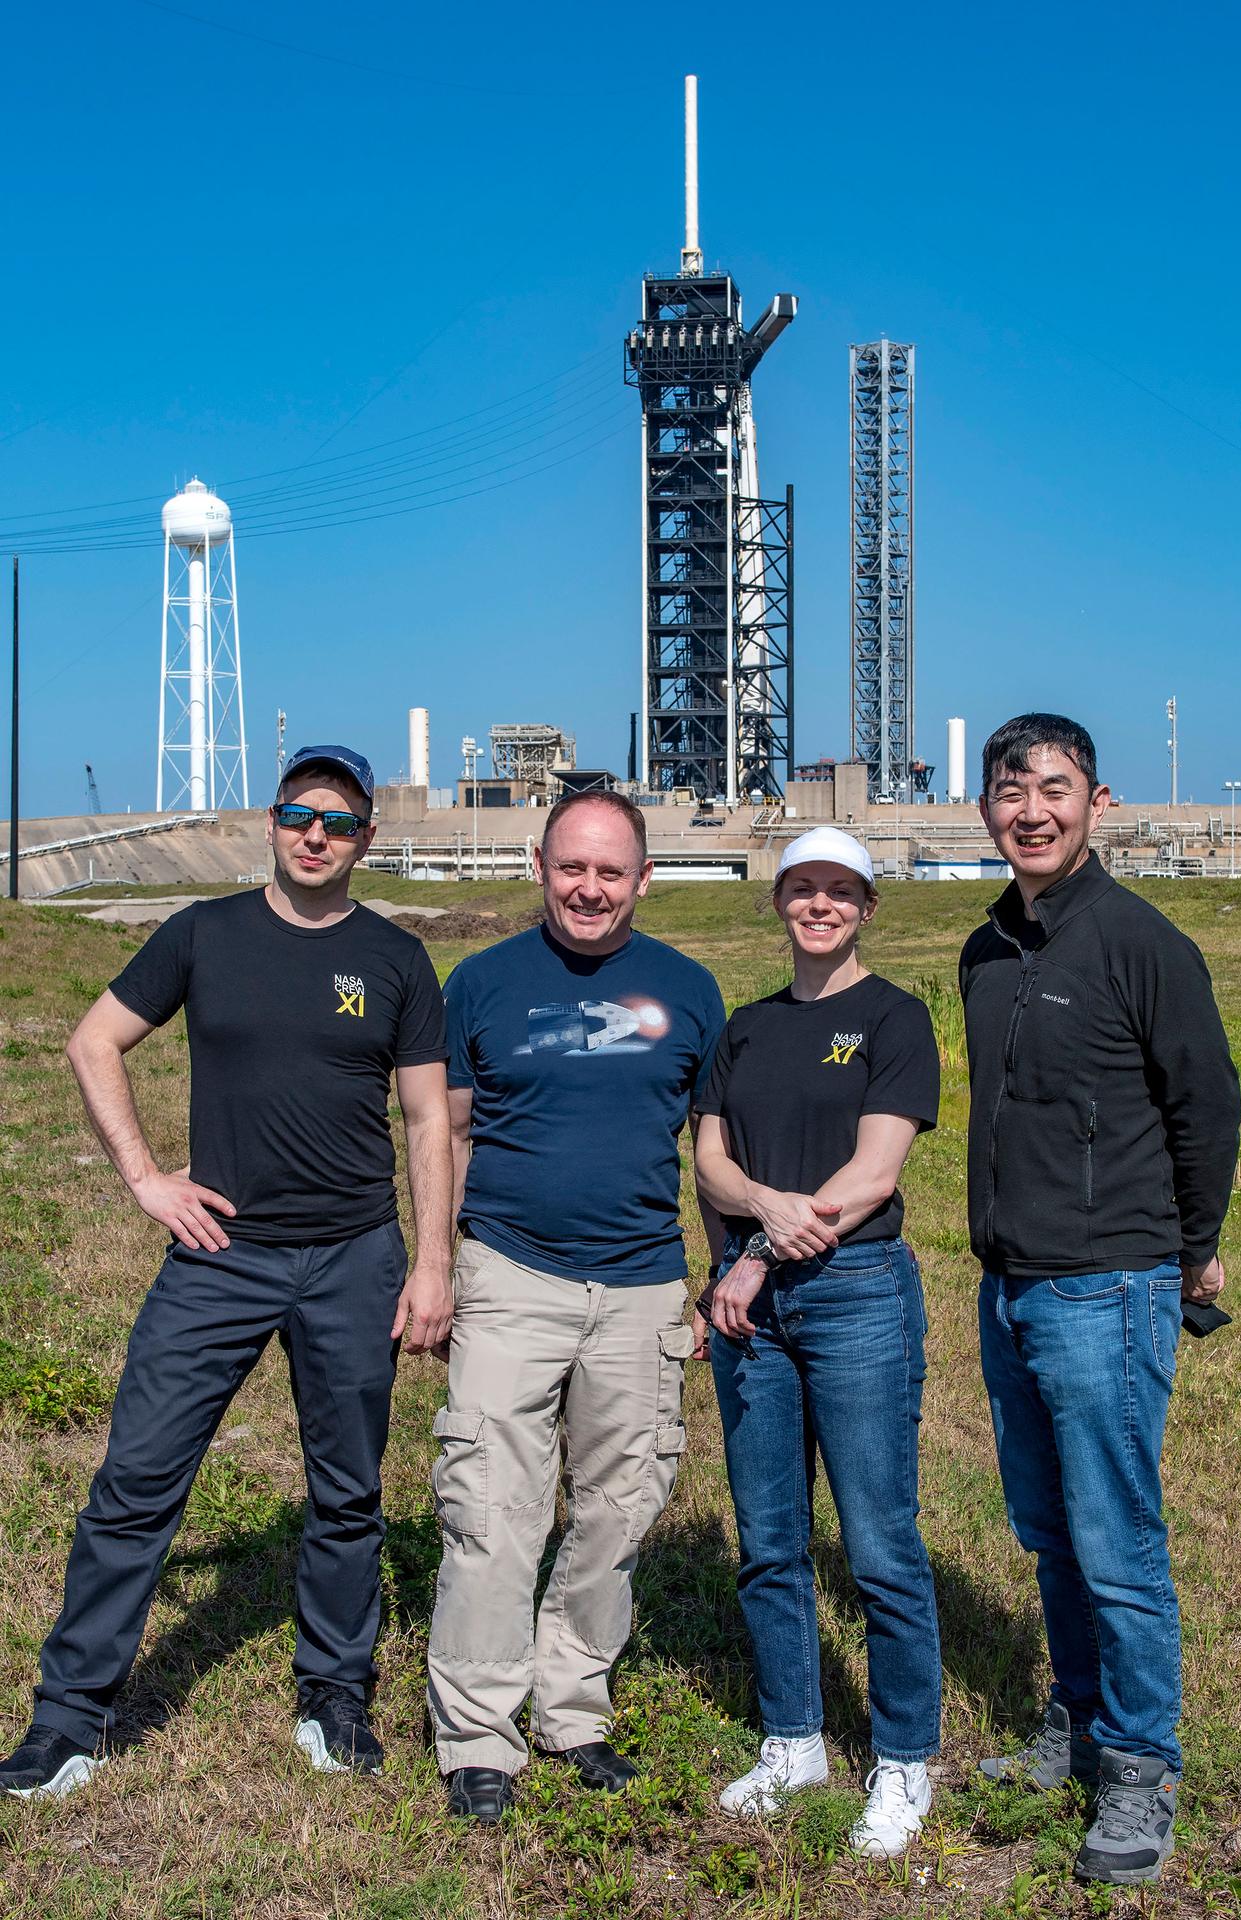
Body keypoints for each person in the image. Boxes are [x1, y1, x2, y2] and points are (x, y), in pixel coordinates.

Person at [0, 746, 453, 1798]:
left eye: (336, 822)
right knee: (136, 1483)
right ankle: (70, 1720)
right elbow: (91, 1042)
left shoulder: (394, 959)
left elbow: (430, 1117)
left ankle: (334, 1698)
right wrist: (147, 1177)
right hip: (221, 1257)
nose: (313, 835)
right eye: (298, 814)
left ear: (364, 840)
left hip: (352, 1257)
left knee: (347, 1496)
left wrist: (431, 1263)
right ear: (271, 818)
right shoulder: (202, 933)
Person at [962, 714, 1241, 1887]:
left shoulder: (1139, 941)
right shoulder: (986, 948)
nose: (1031, 809)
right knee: (1047, 1532)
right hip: (1009, 1286)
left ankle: (1137, 1763)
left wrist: (1190, 1248)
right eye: (1010, 789)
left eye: (1054, 788)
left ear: (1096, 802)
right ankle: (1073, 1719)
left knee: (1116, 1540)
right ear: (985, 808)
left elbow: (1207, 1105)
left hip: (1107, 1284)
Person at [429, 788, 725, 1823]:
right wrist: (438, 1267)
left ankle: (571, 1709)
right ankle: (477, 1735)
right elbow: (446, 1137)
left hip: (642, 1284)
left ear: (643, 878)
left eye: (610, 871)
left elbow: (712, 1152)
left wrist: (719, 1275)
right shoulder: (479, 984)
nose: (588, 888)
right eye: (569, 868)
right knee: (491, 1509)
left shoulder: (689, 992)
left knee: (622, 1505)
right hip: (511, 1273)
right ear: (539, 866)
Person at [694, 826, 943, 1858]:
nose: (820, 906)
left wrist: (754, 1253)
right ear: (778, 902)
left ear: (866, 908)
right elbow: (708, 1157)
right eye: (802, 889)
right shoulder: (743, 1027)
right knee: (767, 1540)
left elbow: (874, 1170)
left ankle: (902, 1761)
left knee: (879, 1543)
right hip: (750, 1315)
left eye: (840, 892)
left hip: (851, 1295)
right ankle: (792, 1740)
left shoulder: (894, 1018)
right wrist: (751, 1215)